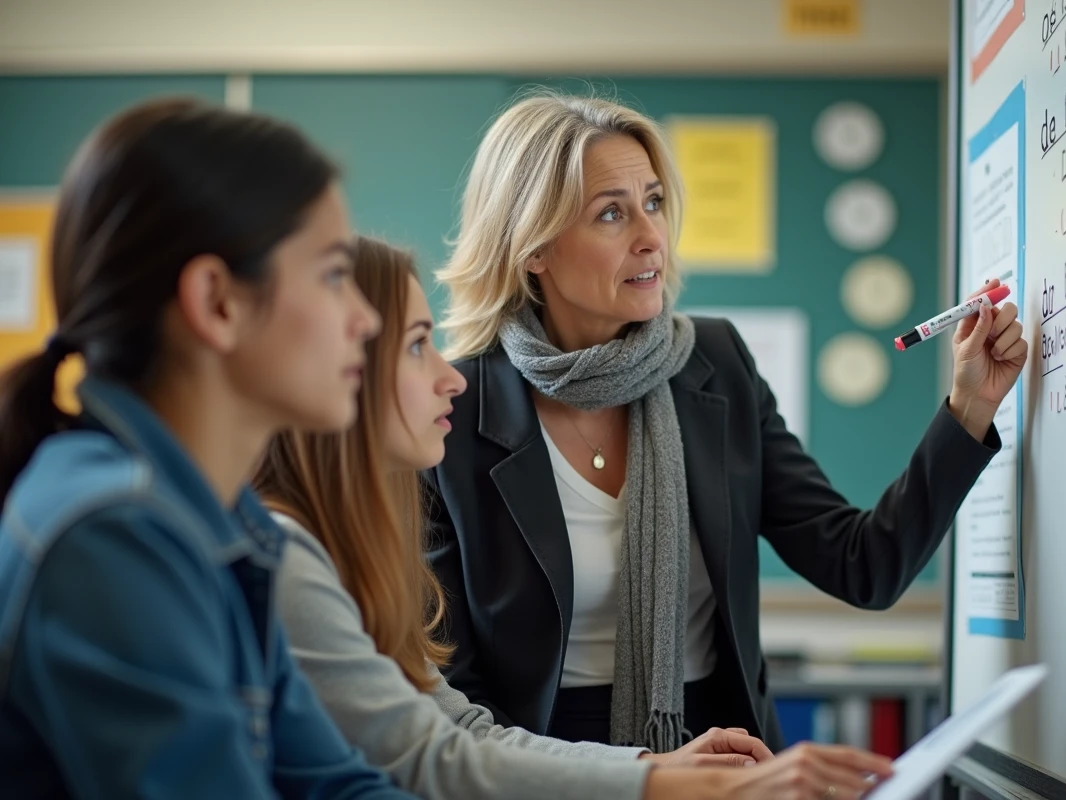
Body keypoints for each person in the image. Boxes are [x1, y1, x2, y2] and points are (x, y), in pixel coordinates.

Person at [428, 91, 1028, 754]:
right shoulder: (450, 410)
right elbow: (447, 684)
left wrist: (969, 408)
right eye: (610, 214)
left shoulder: (715, 367)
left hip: (726, 755)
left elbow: (867, 566)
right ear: (533, 247)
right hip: (537, 769)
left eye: (654, 202)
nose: (651, 235)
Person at [252, 236, 894, 800]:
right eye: (418, 346)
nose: (450, 376)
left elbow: (455, 733)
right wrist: (670, 781)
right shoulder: (288, 560)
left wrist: (661, 769)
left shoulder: (344, 556)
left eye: (655, 203)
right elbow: (438, 759)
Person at [0, 98, 414, 798]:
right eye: (334, 275)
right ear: (218, 302)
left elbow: (337, 785)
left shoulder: (223, 526)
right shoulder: (116, 537)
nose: (366, 320)